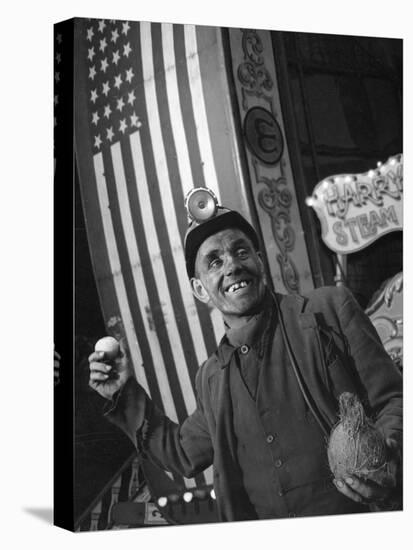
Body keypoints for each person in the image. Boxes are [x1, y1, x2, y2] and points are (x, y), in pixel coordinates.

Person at [89, 193, 402, 522]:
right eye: (214, 261)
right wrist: (123, 393)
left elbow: (393, 398)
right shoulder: (211, 377)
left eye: (240, 251)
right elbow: (183, 454)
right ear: (199, 289)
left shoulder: (329, 309)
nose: (232, 265)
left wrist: (390, 455)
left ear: (259, 262)